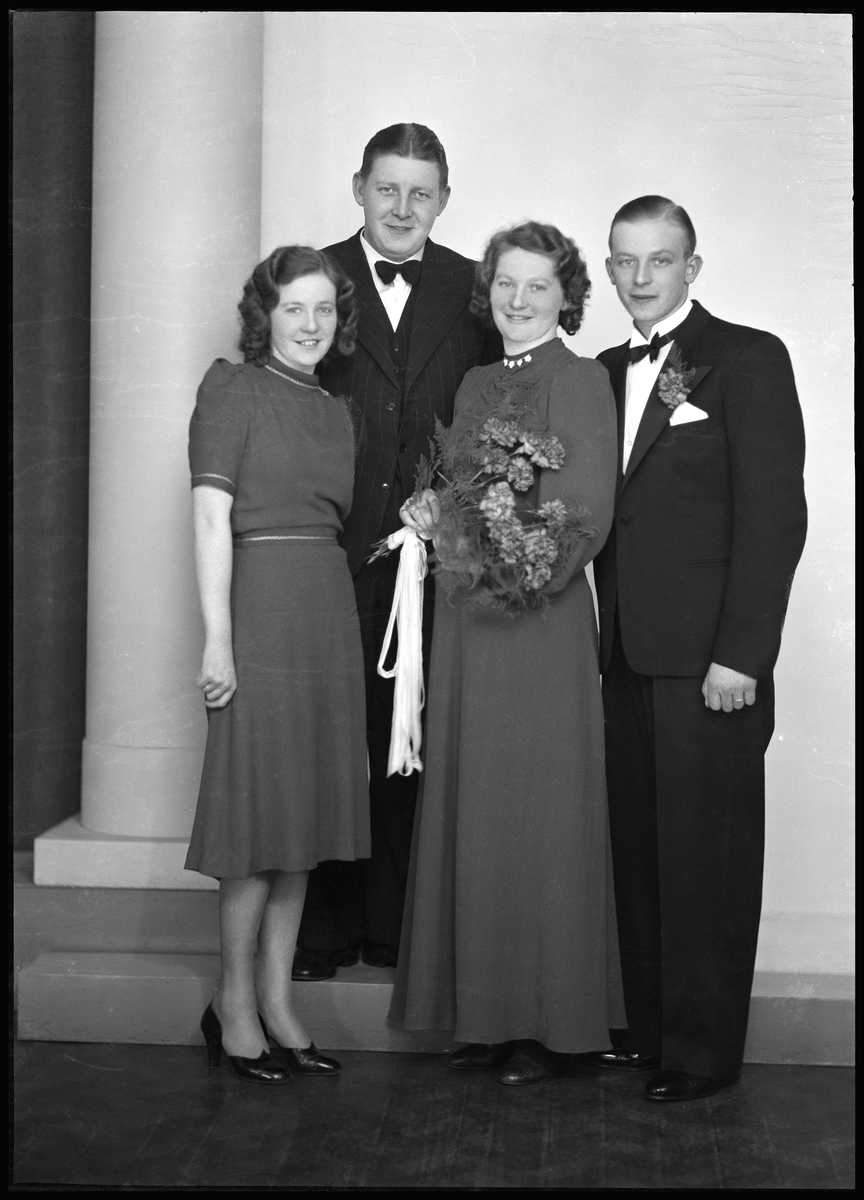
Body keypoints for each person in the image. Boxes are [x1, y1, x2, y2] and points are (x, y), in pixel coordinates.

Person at [389, 221, 626, 1086]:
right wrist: (431, 514)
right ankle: (484, 1020)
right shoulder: (476, 381)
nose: (518, 300)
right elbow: (460, 492)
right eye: (505, 284)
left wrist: (484, 556)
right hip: (468, 626)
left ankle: (551, 1027)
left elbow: (583, 519)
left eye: (537, 285)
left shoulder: (582, 379)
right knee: (478, 810)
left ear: (568, 295)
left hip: (537, 625)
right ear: (486, 292)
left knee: (540, 814)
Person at [582, 196, 807, 1101]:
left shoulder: (748, 358)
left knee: (706, 860)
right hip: (620, 655)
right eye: (625, 261)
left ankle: (702, 1053)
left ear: (692, 268)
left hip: (711, 662)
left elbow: (774, 519)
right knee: (638, 854)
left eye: (660, 260)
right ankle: (648, 1033)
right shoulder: (601, 372)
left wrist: (742, 655)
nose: (641, 277)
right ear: (608, 269)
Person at [292, 123, 502, 982]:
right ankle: (320, 932)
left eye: (422, 192)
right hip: (330, 554)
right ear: (359, 189)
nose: (403, 208)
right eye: (388, 189)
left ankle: (397, 929)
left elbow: (497, 418)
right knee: (330, 741)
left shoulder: (476, 289)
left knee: (412, 739)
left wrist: (451, 506)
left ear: (445, 200)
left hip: (438, 559)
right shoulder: (313, 279)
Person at [184, 246, 370, 1082]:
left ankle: (277, 999)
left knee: (301, 823)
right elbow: (210, 519)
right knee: (257, 820)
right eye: (294, 307)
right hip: (258, 612)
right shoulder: (232, 388)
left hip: (325, 613)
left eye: (324, 308)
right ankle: (232, 1004)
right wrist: (217, 638)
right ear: (264, 314)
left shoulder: (336, 410)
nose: (310, 323)